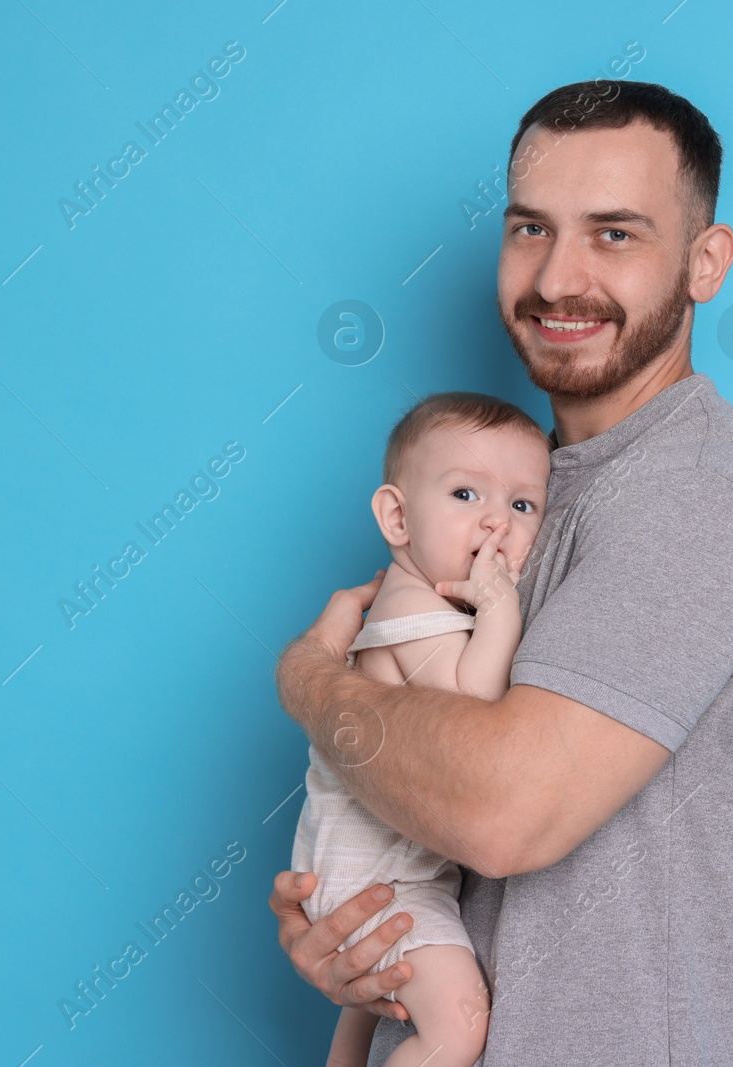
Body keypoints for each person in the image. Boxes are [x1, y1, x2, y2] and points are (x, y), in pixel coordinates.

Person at [271, 80, 733, 1065]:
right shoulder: (511, 494)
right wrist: (362, 922)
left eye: (614, 235)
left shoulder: (696, 498)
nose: (558, 278)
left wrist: (312, 684)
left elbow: (500, 810)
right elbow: (444, 809)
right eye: (532, 229)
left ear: (705, 263)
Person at [290, 391, 551, 1067]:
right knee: (456, 1031)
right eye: (467, 493)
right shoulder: (411, 604)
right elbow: (474, 705)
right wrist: (500, 608)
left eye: (523, 505)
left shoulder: (411, 600)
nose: (497, 521)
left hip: (366, 872)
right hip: (385, 881)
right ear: (397, 517)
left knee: (366, 1023)